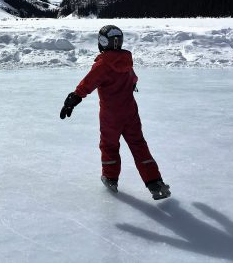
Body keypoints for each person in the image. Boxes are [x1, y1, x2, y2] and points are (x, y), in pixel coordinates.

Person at [59, 25, 171, 200]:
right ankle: (155, 183)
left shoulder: (103, 64)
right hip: (131, 112)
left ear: (103, 42)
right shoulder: (126, 59)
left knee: (109, 146)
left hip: (111, 115)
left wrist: (73, 99)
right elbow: (133, 78)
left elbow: (88, 83)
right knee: (139, 145)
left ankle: (110, 178)